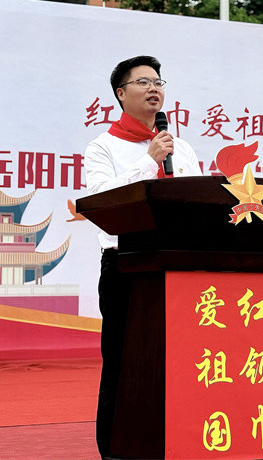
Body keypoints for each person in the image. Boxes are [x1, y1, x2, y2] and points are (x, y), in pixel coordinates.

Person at [84, 55, 201, 458]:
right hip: (127, 265)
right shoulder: (102, 147)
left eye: (158, 82)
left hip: (178, 264)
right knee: (124, 363)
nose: (154, 88)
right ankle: (115, 450)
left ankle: (176, 441)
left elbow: (195, 202)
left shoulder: (182, 148)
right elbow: (102, 203)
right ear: (121, 93)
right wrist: (149, 160)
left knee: (179, 361)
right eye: (143, 82)